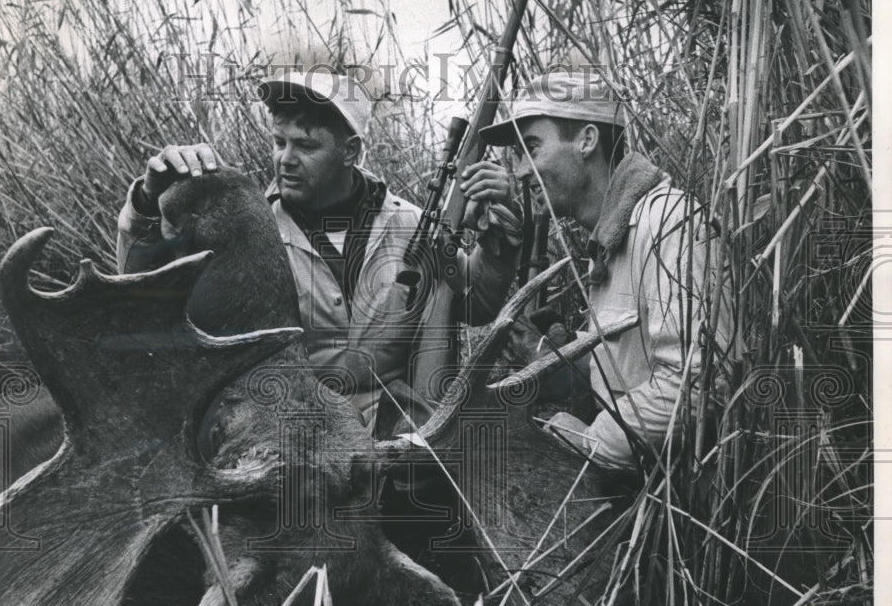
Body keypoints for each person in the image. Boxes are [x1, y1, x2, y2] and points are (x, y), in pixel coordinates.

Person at [116, 70, 523, 435]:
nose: (285, 160)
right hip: (284, 439)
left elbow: (477, 305)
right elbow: (142, 295)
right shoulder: (244, 234)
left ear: (350, 151)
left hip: (397, 441)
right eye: (279, 142)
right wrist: (149, 202)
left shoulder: (412, 226)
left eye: (306, 146)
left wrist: (497, 237)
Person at [479, 69, 732, 471]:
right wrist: (550, 360)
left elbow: (699, 383)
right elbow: (630, 375)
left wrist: (584, 442)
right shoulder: (609, 239)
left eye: (531, 147)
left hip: (674, 505)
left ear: (586, 140)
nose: (522, 171)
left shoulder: (668, 222)